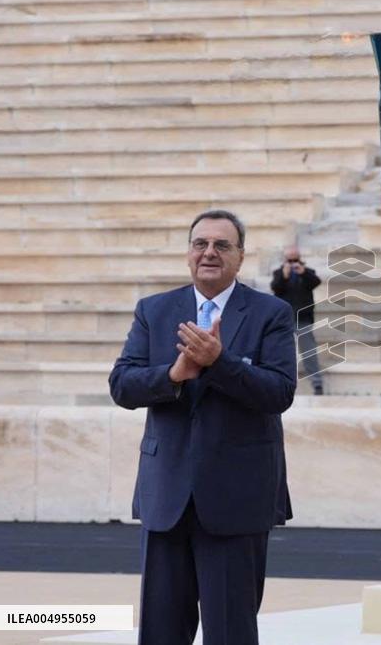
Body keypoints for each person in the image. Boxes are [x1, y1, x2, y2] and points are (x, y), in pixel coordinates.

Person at [109, 210, 296, 645]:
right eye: (200, 244)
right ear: (188, 253)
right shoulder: (154, 310)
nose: (209, 253)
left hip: (236, 500)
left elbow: (279, 392)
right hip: (167, 496)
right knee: (160, 632)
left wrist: (219, 362)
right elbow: (122, 385)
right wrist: (174, 375)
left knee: (230, 632)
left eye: (222, 245)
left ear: (240, 256)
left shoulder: (272, 313)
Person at [270, 245, 324, 395]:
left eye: (296, 260)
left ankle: (317, 384)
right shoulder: (279, 273)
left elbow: (316, 282)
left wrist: (303, 273)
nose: (293, 263)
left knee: (309, 352)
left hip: (303, 318)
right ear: (284, 260)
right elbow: (275, 288)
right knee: (280, 353)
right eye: (290, 260)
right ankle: (278, 384)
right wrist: (284, 276)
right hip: (284, 319)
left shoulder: (308, 272)